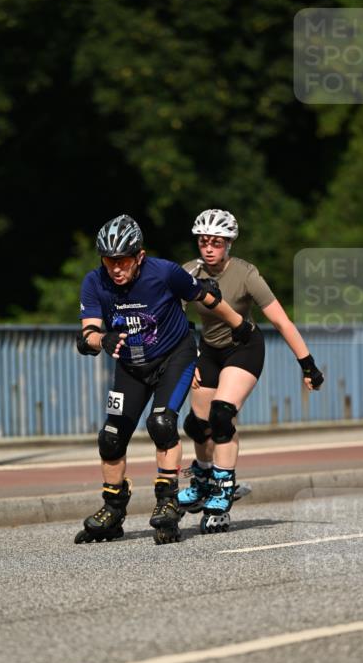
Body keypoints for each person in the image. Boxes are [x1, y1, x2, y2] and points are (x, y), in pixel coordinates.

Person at [75, 214, 253, 545]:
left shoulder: (165, 272)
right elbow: (86, 336)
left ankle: (167, 501)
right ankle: (113, 509)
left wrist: (239, 325)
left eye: (123, 260)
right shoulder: (94, 282)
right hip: (131, 366)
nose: (116, 268)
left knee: (162, 423)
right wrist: (104, 340)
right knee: (111, 437)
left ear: (139, 256)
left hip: (175, 357)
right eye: (109, 260)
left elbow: (206, 296)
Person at [179, 209, 324, 533]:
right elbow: (171, 317)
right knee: (196, 425)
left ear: (229, 244)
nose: (209, 248)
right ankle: (203, 478)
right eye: (204, 241)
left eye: (217, 242)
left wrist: (308, 364)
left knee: (221, 415)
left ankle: (223, 487)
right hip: (208, 350)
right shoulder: (188, 273)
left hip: (244, 347)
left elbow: (280, 320)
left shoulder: (246, 274)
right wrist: (188, 357)